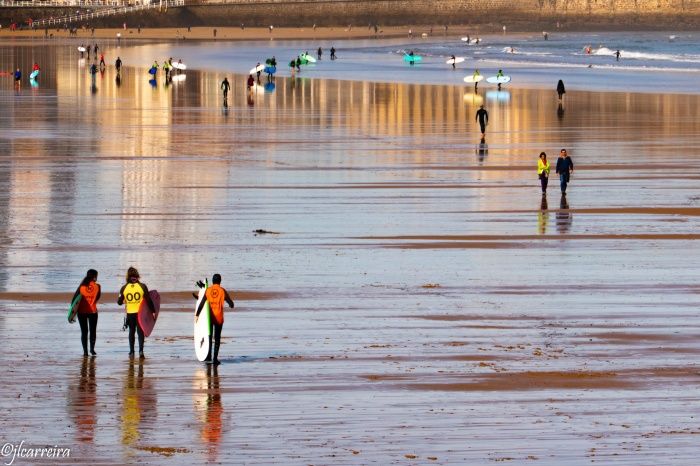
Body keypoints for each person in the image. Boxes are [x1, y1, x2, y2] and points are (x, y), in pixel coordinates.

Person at [195, 274, 234, 365]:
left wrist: (197, 315)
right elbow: (231, 304)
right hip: (219, 318)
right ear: (220, 281)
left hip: (209, 318)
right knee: (217, 339)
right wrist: (231, 305)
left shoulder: (208, 290)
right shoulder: (222, 291)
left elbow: (202, 303)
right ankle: (215, 359)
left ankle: (208, 355)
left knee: (209, 337)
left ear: (212, 281)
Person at [117, 267, 155, 359]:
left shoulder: (124, 288)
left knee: (131, 332)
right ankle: (141, 351)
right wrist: (153, 311)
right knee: (140, 332)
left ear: (128, 276)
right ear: (137, 275)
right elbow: (149, 300)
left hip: (130, 314)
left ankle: (131, 352)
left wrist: (125, 300)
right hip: (140, 313)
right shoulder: (142, 286)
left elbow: (119, 302)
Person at [72, 269, 101, 356]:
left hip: (81, 312)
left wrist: (72, 314)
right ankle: (92, 349)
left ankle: (85, 352)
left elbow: (74, 301)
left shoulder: (81, 287)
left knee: (84, 332)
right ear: (95, 276)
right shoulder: (98, 286)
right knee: (93, 331)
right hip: (93, 311)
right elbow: (97, 298)